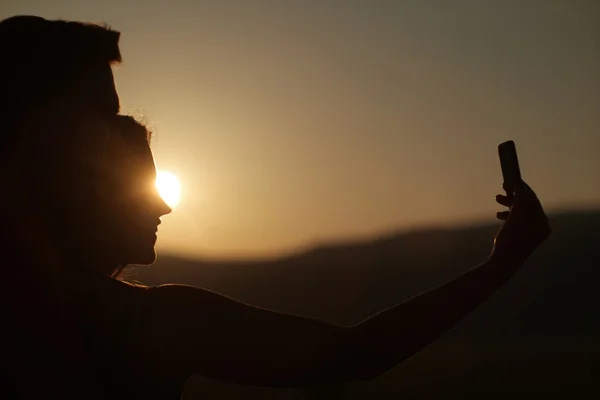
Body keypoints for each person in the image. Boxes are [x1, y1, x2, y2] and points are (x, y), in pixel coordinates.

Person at [0, 15, 551, 400]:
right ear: (35, 132)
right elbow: (351, 355)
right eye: (99, 117)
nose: (110, 133)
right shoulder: (146, 325)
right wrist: (500, 268)